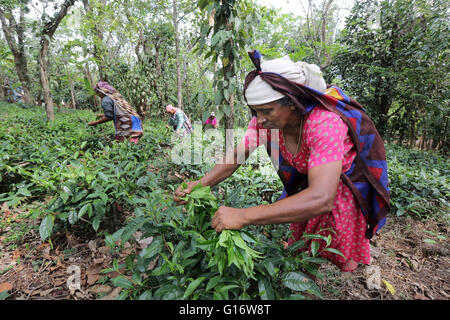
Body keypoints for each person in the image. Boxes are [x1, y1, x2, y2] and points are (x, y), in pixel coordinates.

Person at [174, 51, 390, 273]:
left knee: (334, 246)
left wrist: (242, 216)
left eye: (266, 111)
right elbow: (237, 156)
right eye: (255, 112)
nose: (260, 120)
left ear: (293, 103)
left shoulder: (324, 124)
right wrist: (199, 185)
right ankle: (304, 275)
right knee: (304, 250)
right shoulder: (265, 124)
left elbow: (321, 197)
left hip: (338, 188)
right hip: (309, 183)